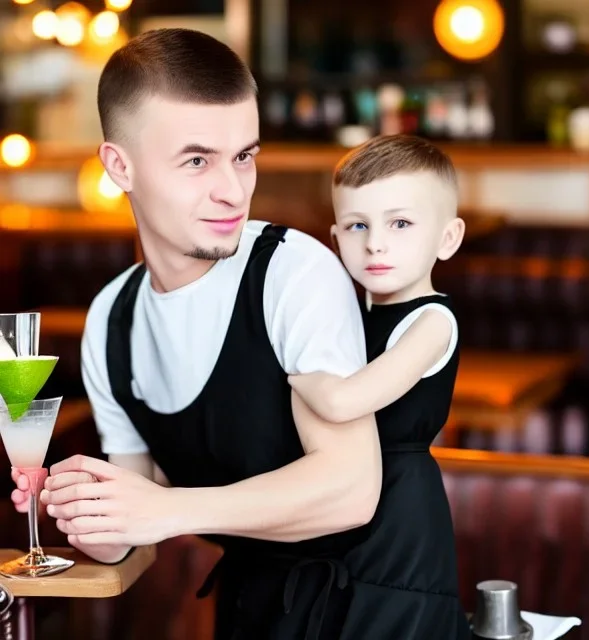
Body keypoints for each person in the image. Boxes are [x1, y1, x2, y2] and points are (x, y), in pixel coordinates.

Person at [11, 28, 382, 639]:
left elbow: (350, 489)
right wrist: (78, 500)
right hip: (252, 612)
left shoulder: (293, 272)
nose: (233, 190)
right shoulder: (113, 319)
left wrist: (166, 509)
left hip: (376, 608)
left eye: (244, 156)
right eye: (196, 160)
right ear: (118, 166)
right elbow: (120, 540)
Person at [289, 134, 471, 639]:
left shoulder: (433, 320)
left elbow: (344, 401)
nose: (375, 243)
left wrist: (288, 366)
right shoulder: (350, 314)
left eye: (401, 223)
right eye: (357, 225)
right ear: (335, 238)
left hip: (401, 513)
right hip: (341, 496)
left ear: (447, 238)